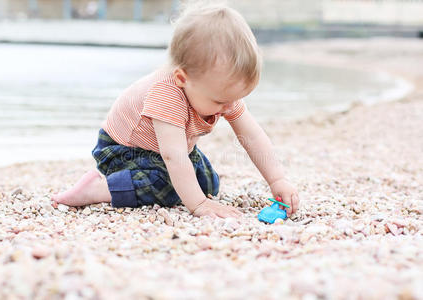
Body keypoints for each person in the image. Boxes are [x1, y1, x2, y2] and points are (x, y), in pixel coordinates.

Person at [52, 2, 300, 219]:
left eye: (234, 99)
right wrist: (199, 205)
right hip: (123, 151)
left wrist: (277, 179)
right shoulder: (166, 94)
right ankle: (98, 188)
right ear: (182, 78)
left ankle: (126, 186)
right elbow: (174, 157)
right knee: (167, 184)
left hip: (162, 149)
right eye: (220, 101)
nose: (228, 107)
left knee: (208, 182)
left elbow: (252, 137)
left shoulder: (219, 90)